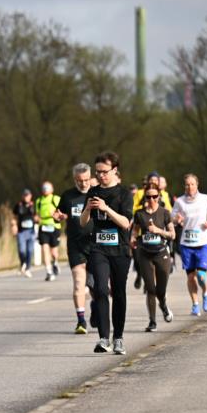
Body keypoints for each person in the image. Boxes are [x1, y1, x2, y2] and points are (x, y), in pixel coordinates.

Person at [80, 151, 132, 354]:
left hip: (120, 249)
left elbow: (126, 223)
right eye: (98, 172)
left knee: (118, 293)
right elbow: (84, 222)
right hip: (98, 248)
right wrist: (87, 209)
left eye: (104, 172)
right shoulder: (92, 192)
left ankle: (118, 338)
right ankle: (103, 338)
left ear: (115, 170)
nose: (101, 175)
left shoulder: (125, 194)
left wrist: (106, 208)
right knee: (100, 289)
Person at [52, 163, 95, 334]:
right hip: (75, 245)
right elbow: (58, 213)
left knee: (98, 287)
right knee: (79, 283)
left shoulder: (97, 193)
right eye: (79, 181)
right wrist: (57, 217)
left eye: (86, 180)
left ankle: (97, 308)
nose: (83, 184)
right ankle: (81, 321)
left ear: (90, 177)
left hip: (96, 244)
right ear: (74, 179)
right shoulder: (68, 195)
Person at [130, 187, 175, 331]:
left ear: (159, 197)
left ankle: (164, 305)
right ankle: (152, 322)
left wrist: (158, 231)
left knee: (160, 291)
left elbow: (172, 234)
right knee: (150, 289)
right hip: (145, 254)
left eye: (154, 196)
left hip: (162, 253)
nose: (151, 200)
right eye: (148, 197)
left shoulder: (164, 213)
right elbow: (135, 231)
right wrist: (132, 238)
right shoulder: (139, 214)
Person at [172, 174, 207, 316]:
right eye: (187, 185)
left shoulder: (205, 198)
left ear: (197, 185)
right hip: (186, 243)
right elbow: (172, 218)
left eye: (192, 184)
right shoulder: (180, 201)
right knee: (191, 277)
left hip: (202, 241)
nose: (190, 187)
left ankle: (206, 294)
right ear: (184, 186)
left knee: (201, 274)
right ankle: (195, 304)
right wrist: (177, 219)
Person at [36, 181, 62, 281]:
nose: (45, 189)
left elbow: (62, 212)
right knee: (44, 248)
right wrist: (37, 218)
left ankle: (55, 262)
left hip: (54, 226)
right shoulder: (38, 201)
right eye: (44, 187)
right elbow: (37, 214)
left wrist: (56, 214)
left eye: (47, 187)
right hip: (43, 227)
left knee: (54, 252)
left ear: (52, 189)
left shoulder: (56, 199)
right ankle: (48, 271)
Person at [11, 189, 37, 277]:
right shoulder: (18, 205)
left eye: (28, 195)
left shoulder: (34, 205)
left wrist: (38, 220)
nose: (26, 197)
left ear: (30, 196)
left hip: (31, 231)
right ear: (22, 196)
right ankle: (23, 263)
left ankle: (28, 268)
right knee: (22, 250)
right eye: (24, 195)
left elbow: (37, 216)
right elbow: (14, 216)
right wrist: (13, 225)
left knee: (30, 251)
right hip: (21, 231)